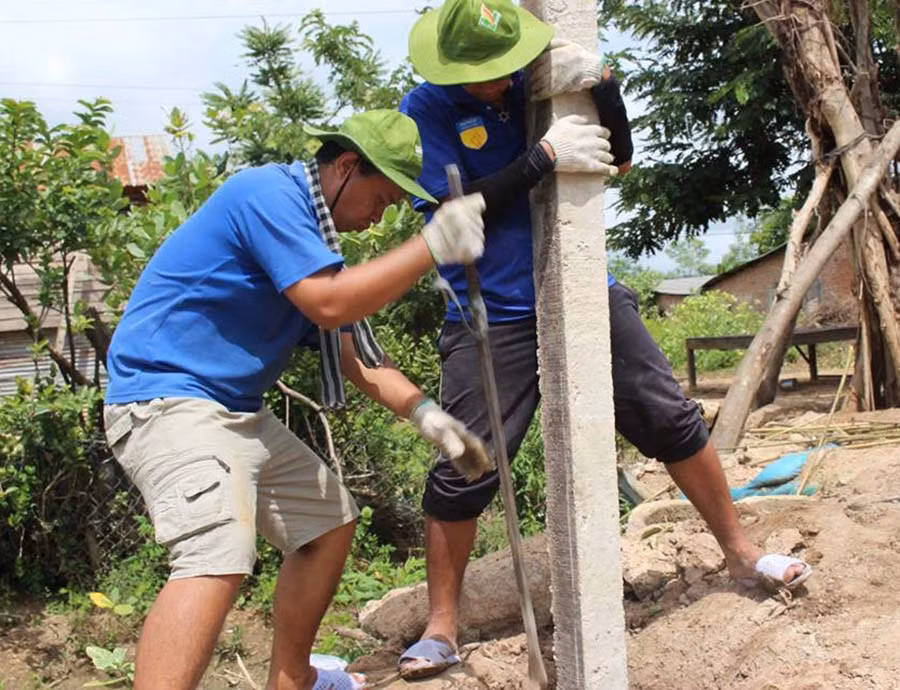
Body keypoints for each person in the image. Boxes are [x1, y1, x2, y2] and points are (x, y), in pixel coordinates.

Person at [396, 0, 813, 679]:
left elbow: (618, 161)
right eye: (478, 73)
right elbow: (453, 214)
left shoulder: (544, 78)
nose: (492, 83)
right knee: (463, 464)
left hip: (584, 286)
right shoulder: (428, 108)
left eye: (500, 69)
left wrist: (605, 91)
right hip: (489, 308)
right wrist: (541, 159)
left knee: (670, 417)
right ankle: (442, 627)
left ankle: (739, 551)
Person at [103, 109, 491, 690]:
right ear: (344, 166)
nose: (376, 218)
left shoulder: (313, 241)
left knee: (327, 523)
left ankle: (295, 681)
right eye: (380, 200)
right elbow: (332, 304)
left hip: (235, 412)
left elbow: (354, 357)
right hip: (169, 402)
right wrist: (431, 245)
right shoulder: (268, 195)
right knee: (215, 555)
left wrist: (430, 418)